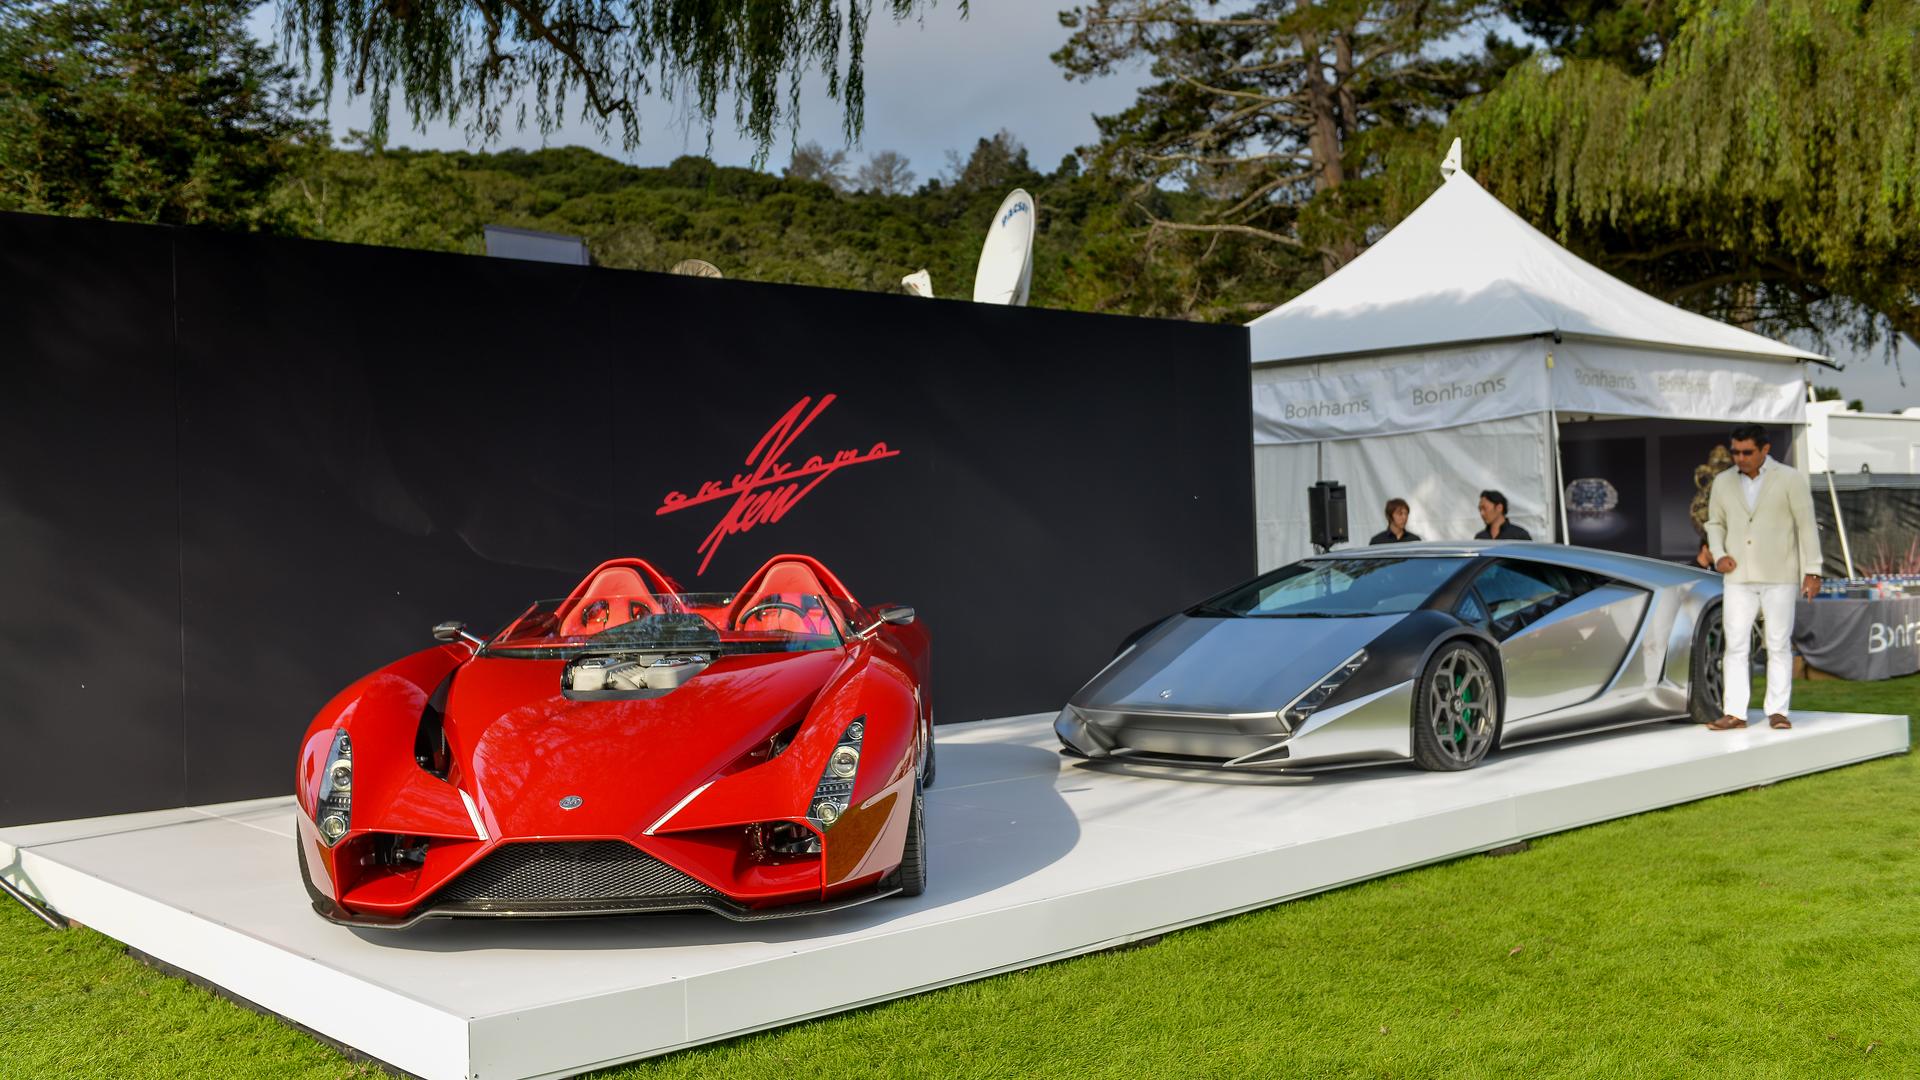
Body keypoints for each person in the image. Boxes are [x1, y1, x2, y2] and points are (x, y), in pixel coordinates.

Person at [1703, 424, 1822, 731]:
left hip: (1780, 575)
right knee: (1735, 645)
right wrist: (1718, 554)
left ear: (1765, 450)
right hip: (1737, 576)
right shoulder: (1723, 481)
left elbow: (1806, 525)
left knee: (1778, 644)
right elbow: (1715, 523)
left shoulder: (1790, 478)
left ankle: (1778, 711)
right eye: (1735, 452)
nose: (1740, 458)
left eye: (1747, 452)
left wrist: (1813, 570)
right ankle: (1735, 713)